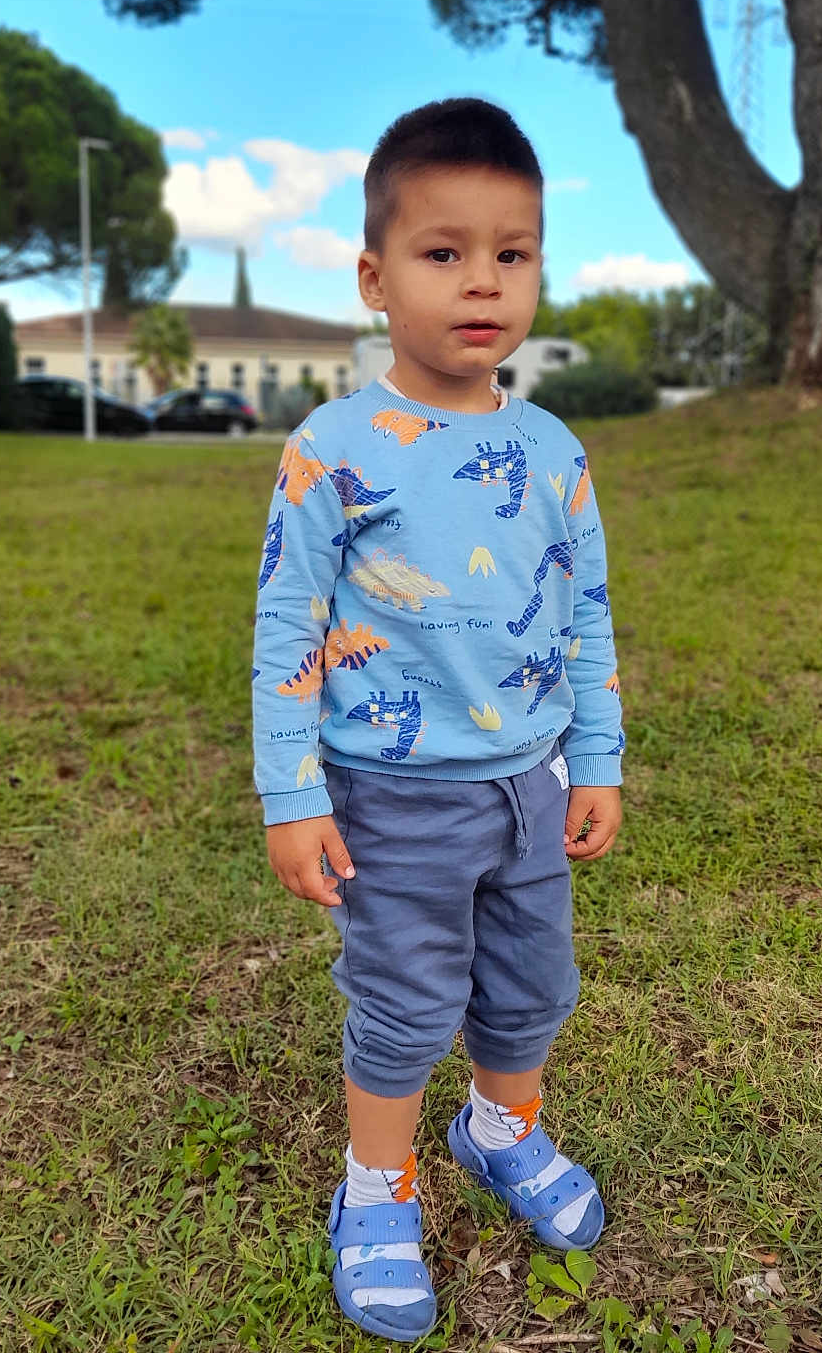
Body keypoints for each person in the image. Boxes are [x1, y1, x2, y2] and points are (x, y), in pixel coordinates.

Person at [250, 97, 625, 1341]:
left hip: (530, 784)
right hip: (395, 797)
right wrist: (293, 792)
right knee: (406, 1004)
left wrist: (596, 758)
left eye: (512, 254)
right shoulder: (334, 448)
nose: (484, 282)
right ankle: (378, 1188)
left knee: (532, 989)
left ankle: (498, 1130)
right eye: (444, 251)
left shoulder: (556, 451)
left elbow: (588, 617)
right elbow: (288, 626)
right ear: (374, 276)